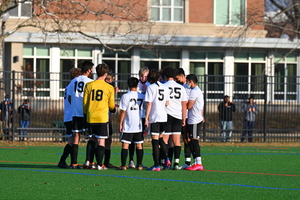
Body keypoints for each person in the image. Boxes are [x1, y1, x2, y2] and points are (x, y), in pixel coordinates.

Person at [83, 63, 116, 170]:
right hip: (102, 118)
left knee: (91, 139)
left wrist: (86, 113)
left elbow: (85, 103)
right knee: (101, 141)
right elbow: (111, 105)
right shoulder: (109, 87)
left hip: (91, 116)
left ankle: (88, 161)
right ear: (106, 74)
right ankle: (99, 164)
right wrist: (113, 109)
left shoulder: (89, 85)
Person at [67, 60, 94, 169]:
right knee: (91, 137)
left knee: (76, 137)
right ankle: (88, 161)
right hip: (86, 113)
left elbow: (69, 97)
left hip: (75, 113)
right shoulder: (90, 82)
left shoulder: (73, 81)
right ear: (88, 70)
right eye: (91, 70)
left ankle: (74, 163)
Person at [162, 66, 187, 170]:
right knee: (177, 141)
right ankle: (176, 163)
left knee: (165, 140)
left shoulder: (163, 86)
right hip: (177, 115)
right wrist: (184, 118)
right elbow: (184, 104)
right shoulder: (181, 87)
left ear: (165, 76)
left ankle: (166, 161)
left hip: (166, 115)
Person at [117, 77, 145, 170]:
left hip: (128, 124)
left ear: (128, 85)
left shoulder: (125, 96)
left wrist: (120, 123)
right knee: (139, 144)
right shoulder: (142, 96)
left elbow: (123, 111)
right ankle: (140, 164)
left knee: (125, 144)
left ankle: (123, 165)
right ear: (138, 85)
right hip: (139, 124)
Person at [145, 69, 169, 171]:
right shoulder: (165, 87)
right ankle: (167, 158)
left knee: (154, 141)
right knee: (161, 139)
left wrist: (146, 117)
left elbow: (149, 103)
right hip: (164, 116)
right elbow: (167, 103)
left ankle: (156, 165)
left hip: (155, 116)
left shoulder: (150, 87)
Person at [58, 67, 82, 169]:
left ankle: (71, 161)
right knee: (73, 139)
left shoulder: (69, 85)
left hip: (68, 116)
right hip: (71, 116)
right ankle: (64, 161)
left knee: (73, 139)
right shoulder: (72, 86)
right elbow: (72, 99)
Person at [128, 67, 150, 169]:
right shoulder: (136, 85)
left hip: (142, 116)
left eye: (145, 76)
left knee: (140, 140)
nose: (143, 78)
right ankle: (131, 160)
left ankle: (139, 162)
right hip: (133, 115)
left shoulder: (149, 85)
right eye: (142, 76)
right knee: (131, 140)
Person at [185, 74, 204, 171]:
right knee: (192, 140)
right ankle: (196, 162)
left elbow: (188, 106)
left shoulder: (194, 91)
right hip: (193, 119)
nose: (186, 83)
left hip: (195, 119)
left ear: (191, 81)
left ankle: (199, 163)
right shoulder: (196, 91)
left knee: (194, 140)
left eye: (187, 81)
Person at [175, 68, 192, 169]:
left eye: (177, 78)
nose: (176, 80)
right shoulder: (178, 87)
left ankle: (189, 160)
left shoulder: (188, 87)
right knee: (183, 138)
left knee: (188, 139)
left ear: (182, 76)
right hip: (179, 116)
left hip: (187, 116)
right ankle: (187, 161)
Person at [103, 72, 118, 168]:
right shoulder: (108, 89)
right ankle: (103, 162)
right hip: (105, 118)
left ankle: (104, 162)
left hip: (106, 117)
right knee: (105, 140)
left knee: (106, 140)